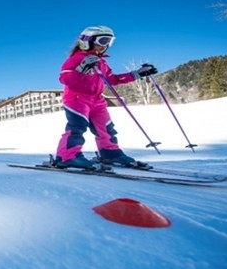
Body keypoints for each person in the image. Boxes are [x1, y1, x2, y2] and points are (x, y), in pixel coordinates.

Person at [54, 25, 158, 169]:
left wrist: (136, 74)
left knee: (106, 128)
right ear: (87, 40)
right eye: (103, 40)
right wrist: (81, 69)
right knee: (77, 127)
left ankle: (110, 153)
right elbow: (65, 79)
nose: (106, 45)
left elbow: (111, 79)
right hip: (76, 98)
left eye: (110, 41)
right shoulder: (76, 59)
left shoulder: (101, 62)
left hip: (97, 99)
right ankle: (67, 156)